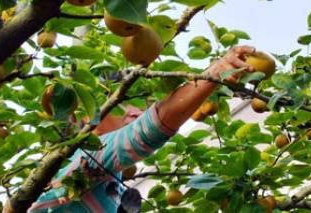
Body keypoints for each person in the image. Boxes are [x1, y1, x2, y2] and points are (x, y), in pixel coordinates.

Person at [28, 45, 256, 212]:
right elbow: (148, 130)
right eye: (123, 103)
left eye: (141, 104)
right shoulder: (89, 155)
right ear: (87, 114)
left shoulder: (107, 177)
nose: (136, 112)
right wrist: (213, 74)